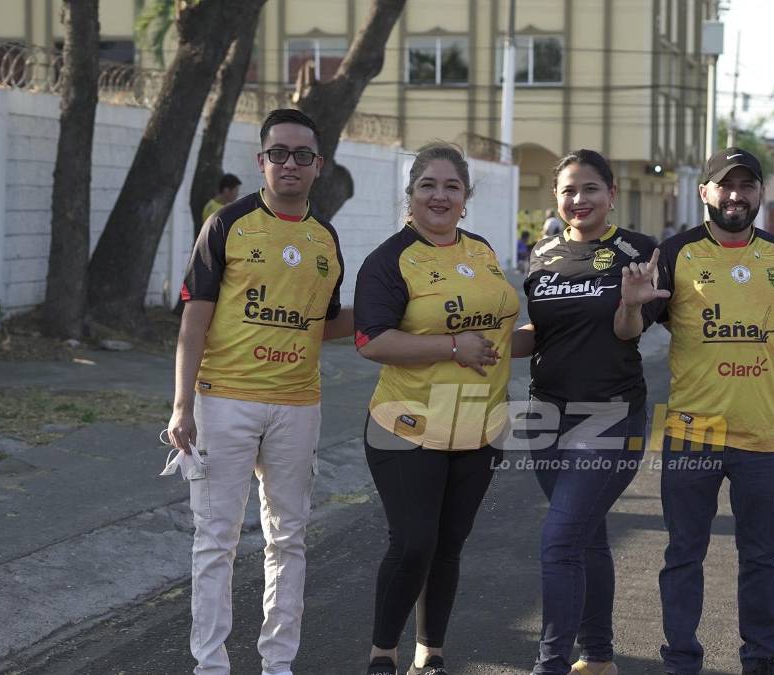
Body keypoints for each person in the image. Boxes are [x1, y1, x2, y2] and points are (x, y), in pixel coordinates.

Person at [614, 147, 774, 675]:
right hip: (692, 434)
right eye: (725, 185)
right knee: (683, 555)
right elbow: (627, 334)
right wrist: (629, 304)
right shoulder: (676, 253)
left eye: (747, 185)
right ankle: (681, 661)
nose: (736, 195)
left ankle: (761, 660)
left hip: (762, 436)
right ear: (705, 192)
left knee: (761, 557)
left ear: (760, 193)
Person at [167, 108, 352, 675]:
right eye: (278, 153)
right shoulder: (226, 224)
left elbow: (325, 323)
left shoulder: (325, 238)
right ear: (261, 161)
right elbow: (194, 321)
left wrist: (403, 317)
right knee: (216, 540)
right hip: (224, 400)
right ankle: (210, 665)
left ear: (318, 165)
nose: (289, 163)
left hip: (298, 405)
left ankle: (278, 663)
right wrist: (181, 407)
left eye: (301, 155)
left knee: (288, 539)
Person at [354, 142, 520, 675]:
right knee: (414, 542)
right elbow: (371, 340)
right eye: (428, 185)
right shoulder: (389, 260)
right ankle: (383, 652)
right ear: (411, 194)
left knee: (448, 545)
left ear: (466, 196)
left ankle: (431, 652)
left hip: (479, 424)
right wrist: (452, 348)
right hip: (407, 425)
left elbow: (499, 332)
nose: (440, 196)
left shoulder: (482, 251)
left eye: (452, 186)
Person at [511, 149, 656, 675]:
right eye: (568, 190)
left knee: (560, 541)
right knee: (585, 536)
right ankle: (598, 657)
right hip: (546, 416)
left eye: (590, 188)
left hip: (611, 416)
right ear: (556, 197)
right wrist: (477, 341)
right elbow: (542, 332)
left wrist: (632, 303)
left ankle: (549, 664)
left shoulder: (638, 251)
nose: (579, 199)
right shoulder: (543, 253)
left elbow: (626, 332)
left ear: (611, 194)